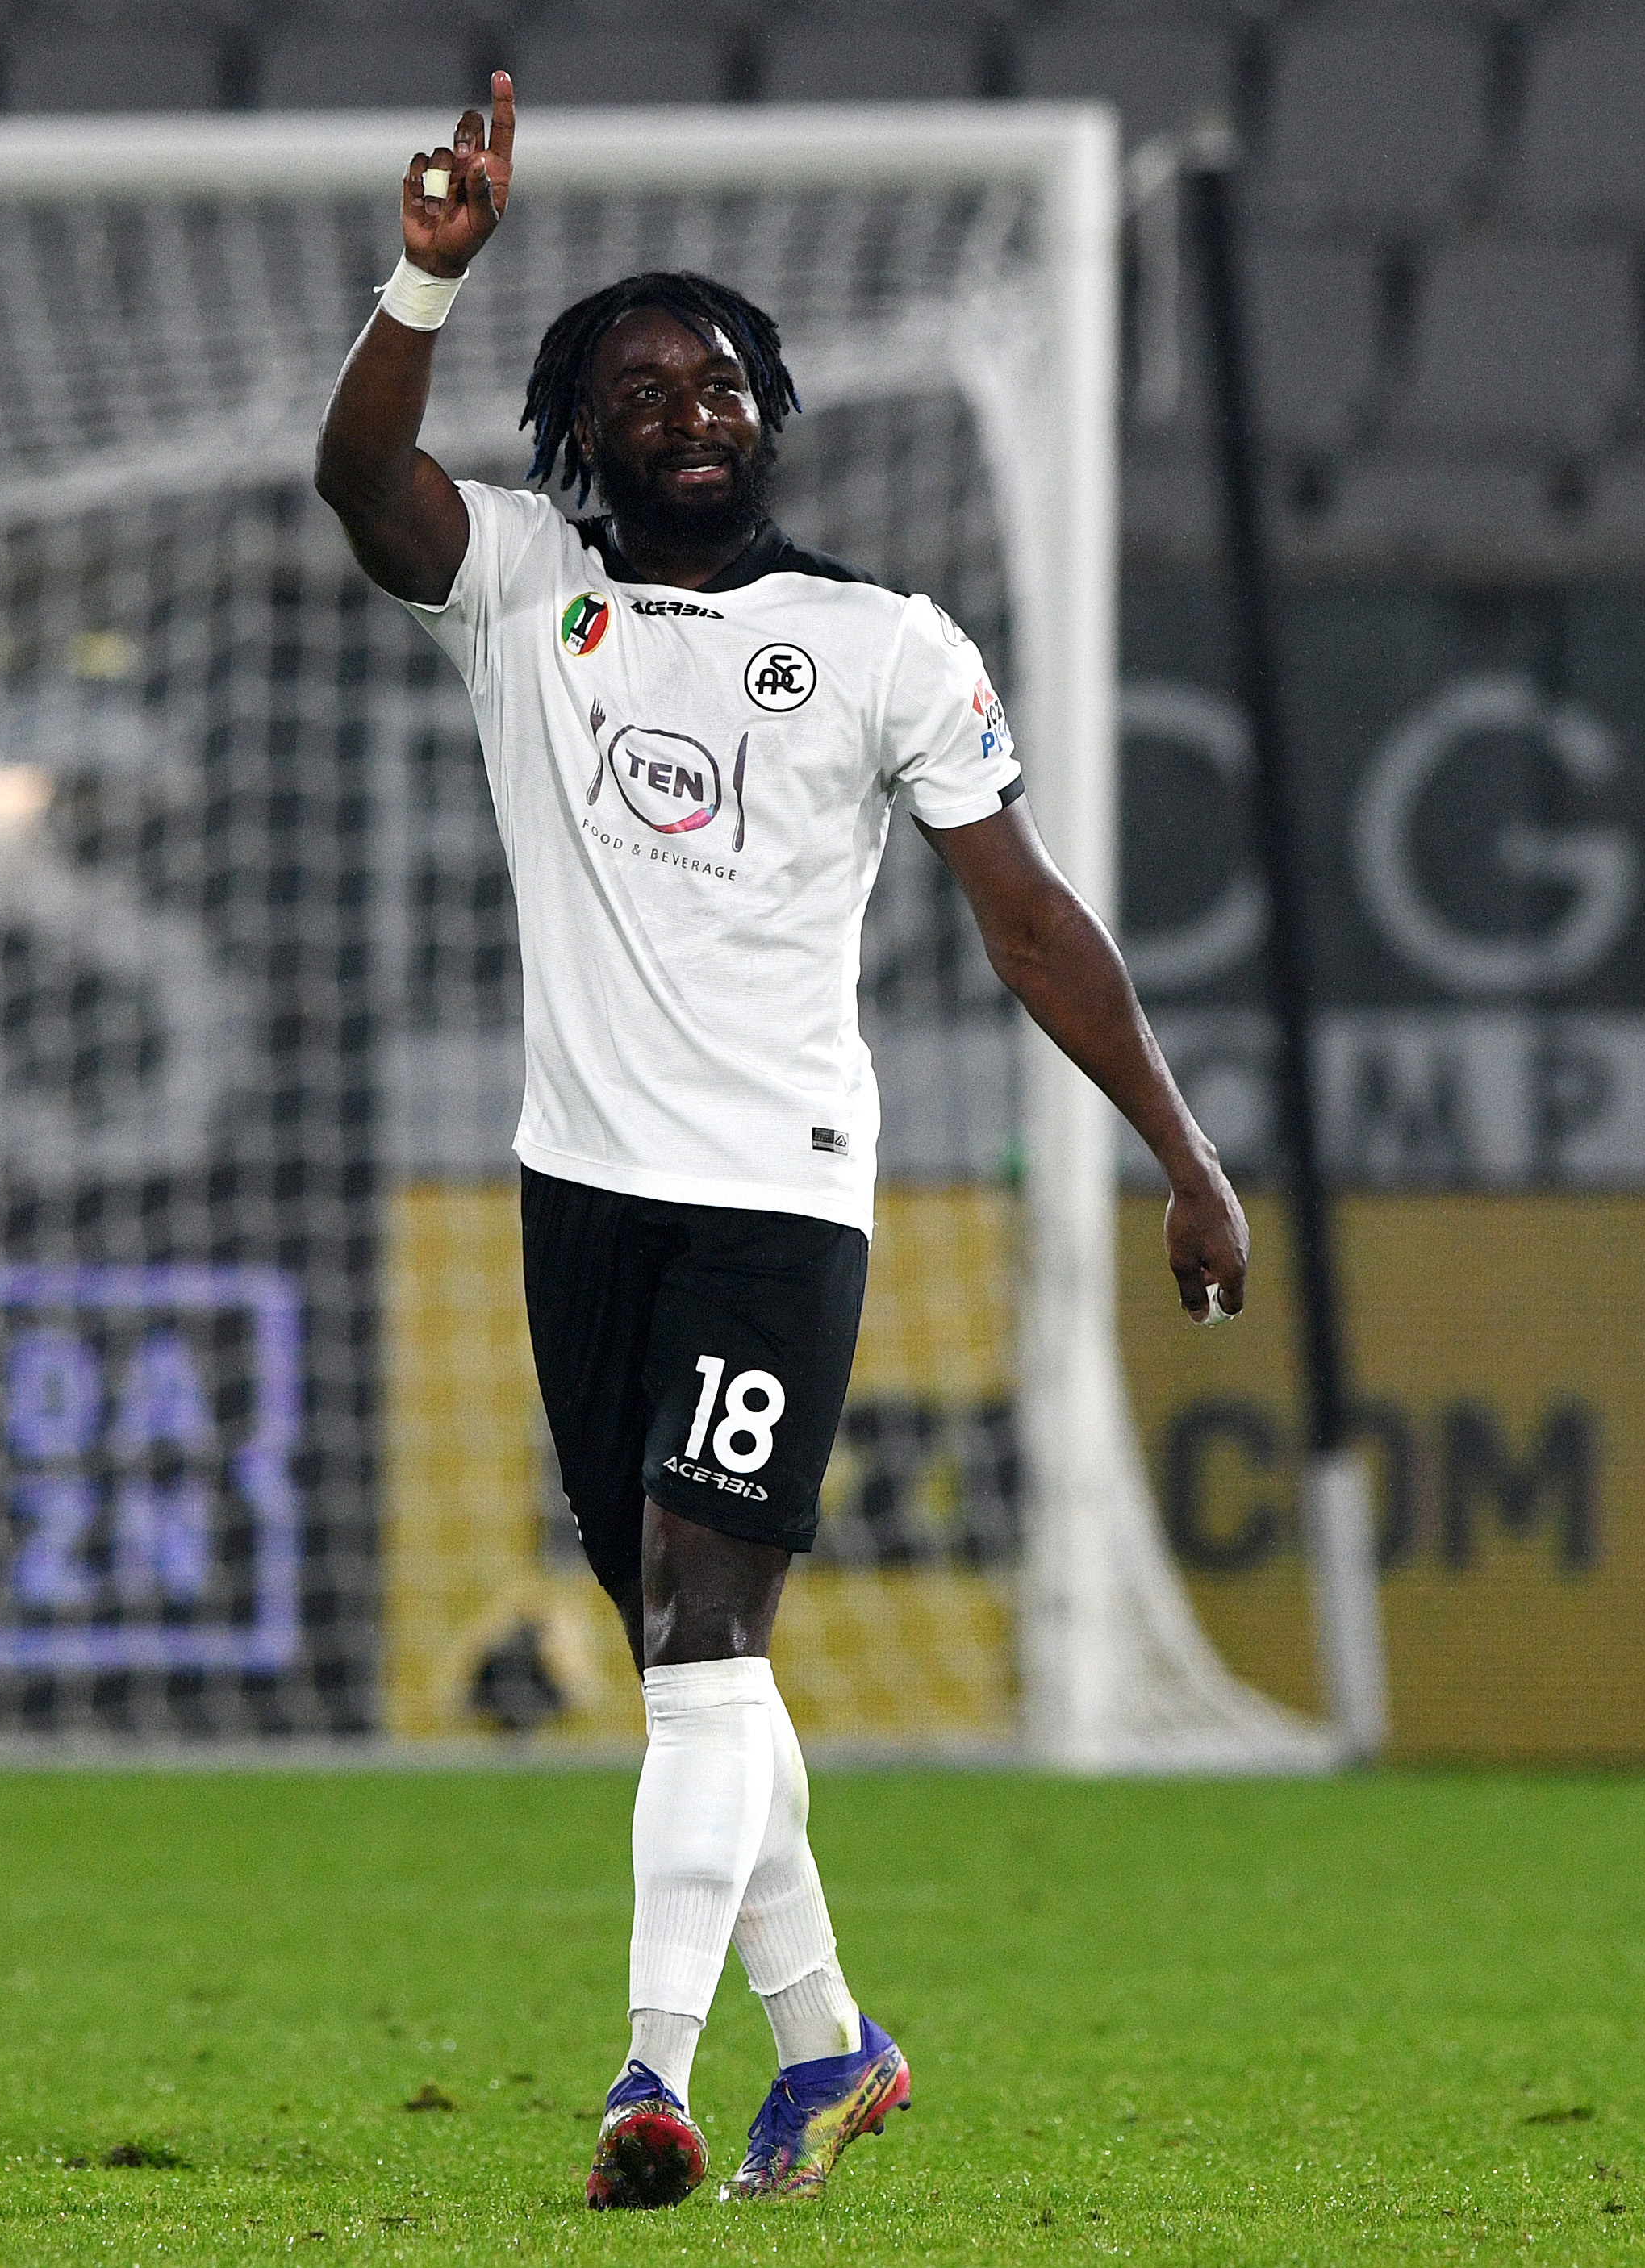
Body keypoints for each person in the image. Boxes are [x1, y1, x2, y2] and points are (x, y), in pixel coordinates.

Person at [312, 74, 1252, 2210]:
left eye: (723, 378)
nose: (695, 408)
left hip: (778, 1194)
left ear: (772, 413)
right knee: (685, 1651)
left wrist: (1184, 1155)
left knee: (702, 1631)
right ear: (583, 429)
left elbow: (1030, 917)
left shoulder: (883, 645)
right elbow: (360, 475)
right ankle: (830, 2043)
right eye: (645, 387)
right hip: (581, 1193)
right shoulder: (521, 586)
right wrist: (425, 278)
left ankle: (649, 2078)